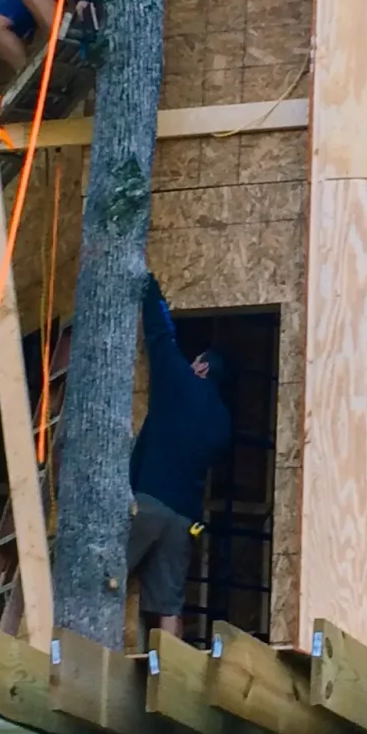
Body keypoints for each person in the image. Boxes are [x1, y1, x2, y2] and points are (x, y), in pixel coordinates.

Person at [127, 274, 233, 640]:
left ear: (202, 367)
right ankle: (168, 673)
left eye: (195, 361)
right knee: (169, 604)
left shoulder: (178, 381)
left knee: (102, 577)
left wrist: (150, 286)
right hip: (183, 520)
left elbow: (160, 334)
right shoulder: (222, 422)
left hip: (149, 502)